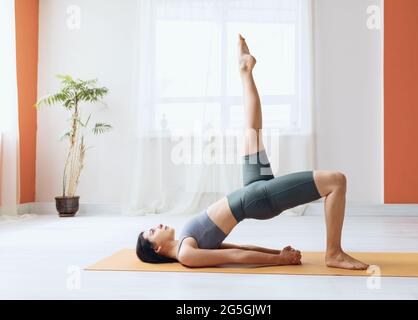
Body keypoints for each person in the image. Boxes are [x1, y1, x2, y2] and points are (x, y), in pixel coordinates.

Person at [136, 34, 369, 270]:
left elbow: (239, 249)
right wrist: (279, 260)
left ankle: (245, 71)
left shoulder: (187, 239)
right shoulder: (186, 254)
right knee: (336, 181)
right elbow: (235, 258)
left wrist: (278, 254)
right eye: (153, 232)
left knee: (252, 131)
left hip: (252, 190)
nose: (158, 226)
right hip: (259, 198)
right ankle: (334, 253)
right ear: (156, 248)